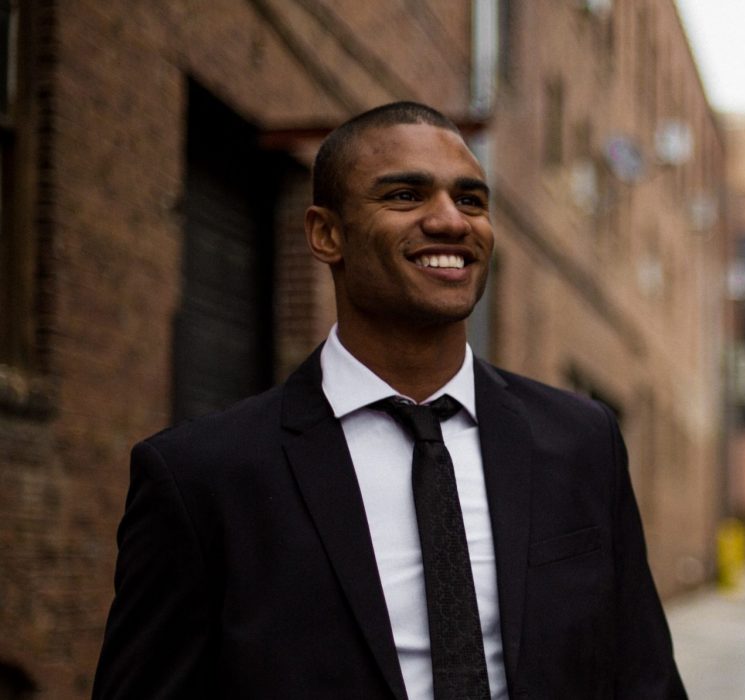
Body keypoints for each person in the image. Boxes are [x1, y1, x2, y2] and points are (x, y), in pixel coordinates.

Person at [93, 102, 687, 699]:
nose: (452, 222)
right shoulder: (201, 477)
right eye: (405, 195)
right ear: (326, 234)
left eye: (472, 199)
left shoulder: (581, 441)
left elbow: (644, 679)